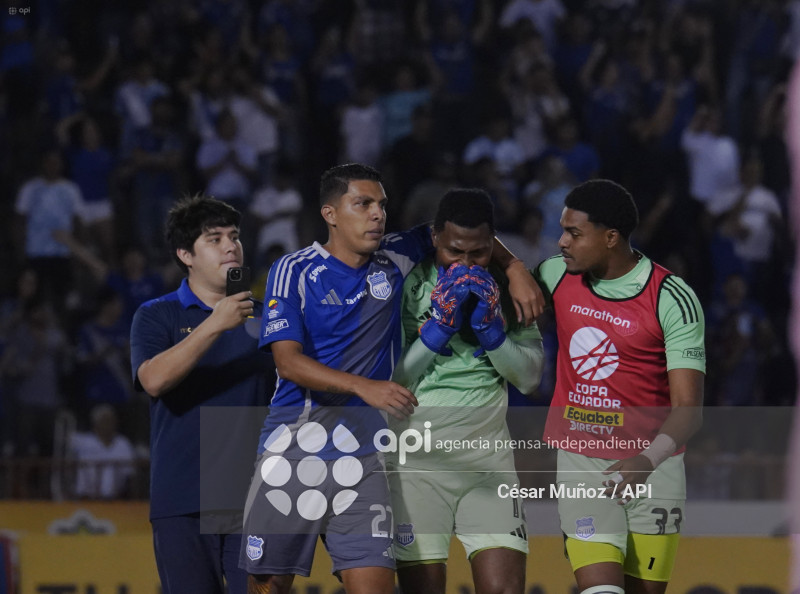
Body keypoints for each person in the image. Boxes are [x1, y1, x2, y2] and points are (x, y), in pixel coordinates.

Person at [239, 163, 541, 594]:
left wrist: (515, 267)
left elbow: (469, 234)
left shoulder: (394, 257)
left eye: (381, 204)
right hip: (296, 448)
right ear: (330, 213)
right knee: (267, 584)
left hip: (365, 458)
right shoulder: (294, 269)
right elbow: (287, 363)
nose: (378, 214)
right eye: (362, 204)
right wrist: (364, 386)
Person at [532, 179, 705, 593]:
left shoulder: (670, 297)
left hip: (655, 468)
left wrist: (645, 463)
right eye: (562, 230)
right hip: (581, 462)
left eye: (574, 233)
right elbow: (512, 283)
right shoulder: (554, 275)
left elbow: (689, 410)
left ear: (610, 238)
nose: (561, 242)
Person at [388, 188, 544, 594]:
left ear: (492, 244)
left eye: (477, 253)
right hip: (416, 463)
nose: (466, 263)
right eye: (455, 252)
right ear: (436, 237)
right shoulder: (406, 285)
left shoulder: (509, 291)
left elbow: (529, 379)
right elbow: (390, 382)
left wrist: (492, 333)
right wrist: (439, 328)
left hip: (487, 463)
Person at [130, 195, 272, 594]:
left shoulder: (270, 316)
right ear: (185, 254)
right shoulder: (157, 314)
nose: (231, 246)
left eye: (235, 236)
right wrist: (215, 324)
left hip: (255, 497)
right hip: (184, 495)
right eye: (214, 239)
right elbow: (153, 380)